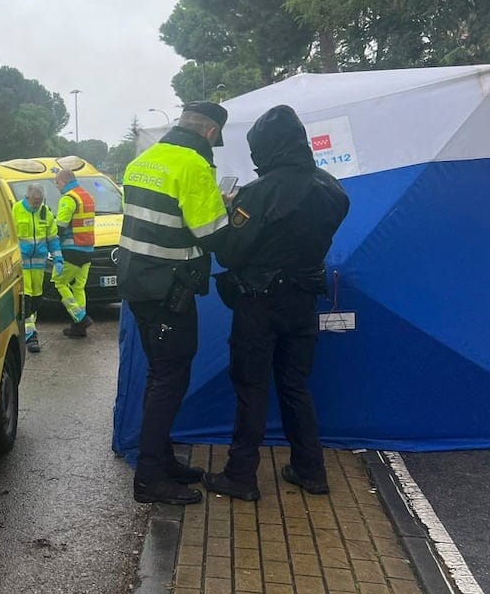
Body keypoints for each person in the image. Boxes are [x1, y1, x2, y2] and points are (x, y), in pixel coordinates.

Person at [203, 104, 350, 501]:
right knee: (295, 385)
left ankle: (241, 475)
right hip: (303, 301)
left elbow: (231, 253)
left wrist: (230, 209)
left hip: (259, 303)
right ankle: (310, 469)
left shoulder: (259, 193)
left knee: (251, 388)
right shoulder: (332, 189)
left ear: (265, 149)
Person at [119, 101, 231, 505]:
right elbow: (213, 236)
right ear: (211, 133)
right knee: (170, 379)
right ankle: (149, 477)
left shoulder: (145, 160)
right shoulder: (193, 167)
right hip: (170, 291)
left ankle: (162, 461)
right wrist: (226, 205)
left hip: (139, 286)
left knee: (159, 375)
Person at [13, 183, 62, 353]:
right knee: (26, 300)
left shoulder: (45, 212)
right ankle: (30, 336)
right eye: (34, 201)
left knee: (36, 301)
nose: (37, 204)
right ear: (27, 197)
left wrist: (58, 259)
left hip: (39, 265)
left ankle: (28, 330)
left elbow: (52, 238)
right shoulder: (16, 210)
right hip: (22, 265)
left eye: (40, 201)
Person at [52, 168, 96, 337]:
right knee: (78, 287)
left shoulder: (69, 198)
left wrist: (51, 243)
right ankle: (78, 329)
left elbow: (60, 227)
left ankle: (81, 318)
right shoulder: (87, 196)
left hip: (72, 250)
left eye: (57, 182)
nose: (56, 186)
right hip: (88, 250)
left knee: (59, 282)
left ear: (63, 181)